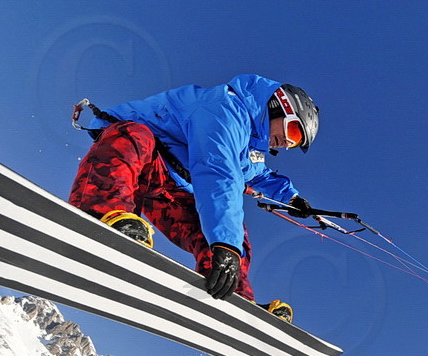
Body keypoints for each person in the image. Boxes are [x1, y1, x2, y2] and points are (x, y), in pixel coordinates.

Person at [68, 74, 319, 323]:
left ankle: (227, 289)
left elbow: (259, 174)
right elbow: (218, 174)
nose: (287, 143)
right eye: (293, 131)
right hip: (137, 164)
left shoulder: (251, 146)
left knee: (231, 236)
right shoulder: (224, 109)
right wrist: (225, 243)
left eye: (295, 142)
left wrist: (291, 198)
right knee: (134, 135)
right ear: (278, 105)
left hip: (171, 191)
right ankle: (102, 216)